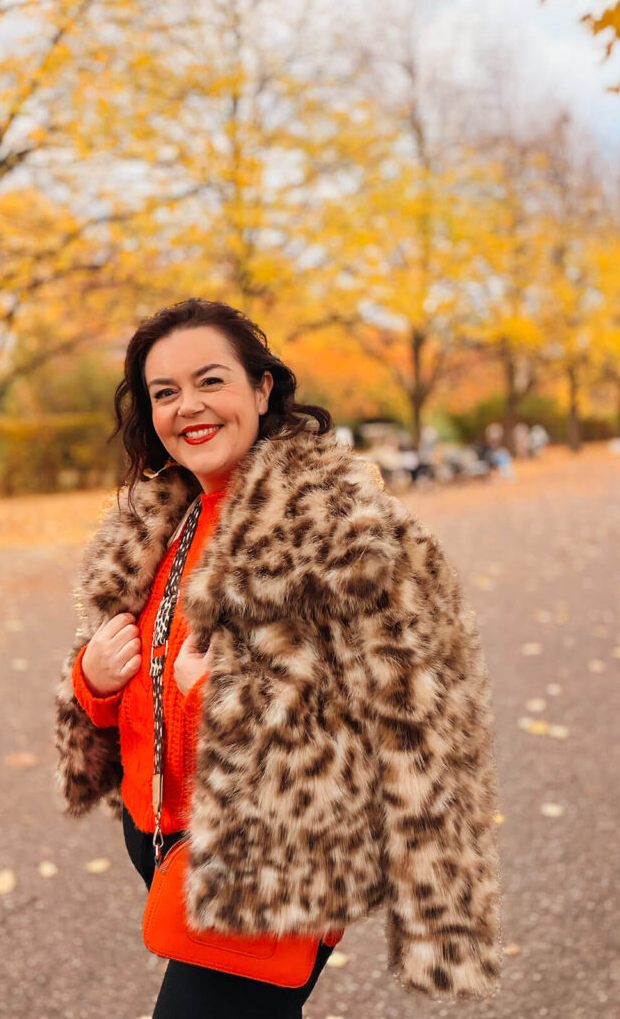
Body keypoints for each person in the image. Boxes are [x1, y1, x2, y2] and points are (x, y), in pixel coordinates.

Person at [54, 298, 504, 1017]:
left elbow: (419, 720)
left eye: (210, 380)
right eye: (164, 392)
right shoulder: (160, 520)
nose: (188, 406)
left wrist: (224, 701)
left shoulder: (341, 529)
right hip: (161, 836)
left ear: (262, 389)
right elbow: (135, 679)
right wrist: (93, 682)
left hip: (274, 856)